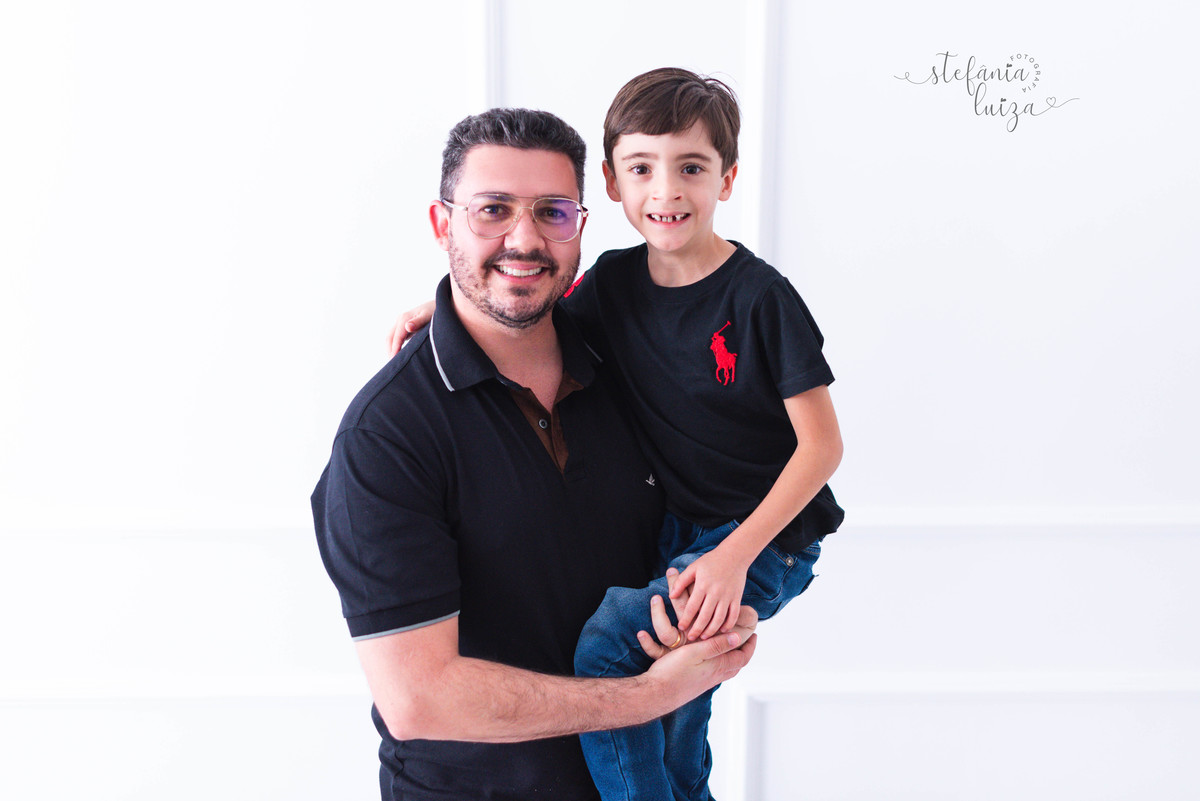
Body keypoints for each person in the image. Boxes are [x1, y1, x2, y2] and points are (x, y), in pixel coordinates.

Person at [387, 68, 845, 801]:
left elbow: (823, 447)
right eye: (641, 168)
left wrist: (732, 558)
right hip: (681, 531)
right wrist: (440, 310)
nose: (666, 191)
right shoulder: (612, 282)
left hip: (765, 539)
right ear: (610, 182)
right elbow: (526, 307)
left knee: (608, 647)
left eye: (690, 168)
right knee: (677, 718)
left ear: (727, 179)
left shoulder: (761, 298)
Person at [312, 107, 759, 801]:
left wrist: (725, 606)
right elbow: (419, 699)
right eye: (492, 210)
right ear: (442, 225)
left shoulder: (631, 364)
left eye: (552, 212)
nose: (524, 239)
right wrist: (647, 696)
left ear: (580, 225)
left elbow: (739, 477)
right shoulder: (386, 434)